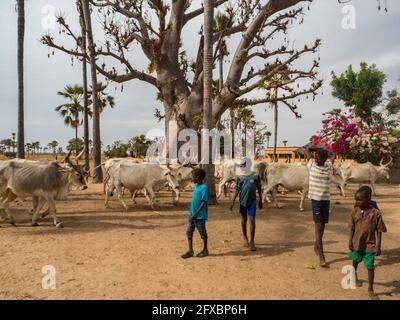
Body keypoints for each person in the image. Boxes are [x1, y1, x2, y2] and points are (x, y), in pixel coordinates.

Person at [349, 186, 387, 300]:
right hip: (356, 243)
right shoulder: (355, 211)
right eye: (356, 200)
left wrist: (378, 246)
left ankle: (371, 289)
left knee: (370, 266)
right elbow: (351, 228)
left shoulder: (376, 213)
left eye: (360, 200)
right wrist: (350, 241)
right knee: (355, 260)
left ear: (369, 199)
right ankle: (353, 275)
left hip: (370, 244)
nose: (357, 202)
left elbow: (379, 230)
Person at [305, 147, 334, 267]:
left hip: (326, 201)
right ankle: (321, 256)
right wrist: (318, 149)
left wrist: (324, 151)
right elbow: (307, 150)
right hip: (316, 201)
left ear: (324, 158)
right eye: (315, 156)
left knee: (323, 226)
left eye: (318, 157)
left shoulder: (329, 167)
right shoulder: (311, 165)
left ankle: (317, 245)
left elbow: (333, 155)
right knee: (319, 226)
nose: (316, 158)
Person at [230, 158, 263, 251]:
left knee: (252, 220)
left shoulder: (255, 176)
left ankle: (252, 241)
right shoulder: (240, 177)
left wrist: (260, 200)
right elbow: (237, 189)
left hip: (252, 202)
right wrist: (232, 202)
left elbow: (259, 188)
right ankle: (245, 238)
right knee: (243, 219)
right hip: (242, 202)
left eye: (243, 164)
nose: (241, 166)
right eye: (240, 165)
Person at [181, 168, 209, 259]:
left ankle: (205, 249)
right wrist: (191, 213)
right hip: (192, 215)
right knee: (189, 232)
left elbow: (203, 202)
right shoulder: (196, 186)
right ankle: (190, 250)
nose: (191, 178)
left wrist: (195, 214)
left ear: (197, 177)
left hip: (199, 216)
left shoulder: (204, 188)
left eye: (192, 176)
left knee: (202, 233)